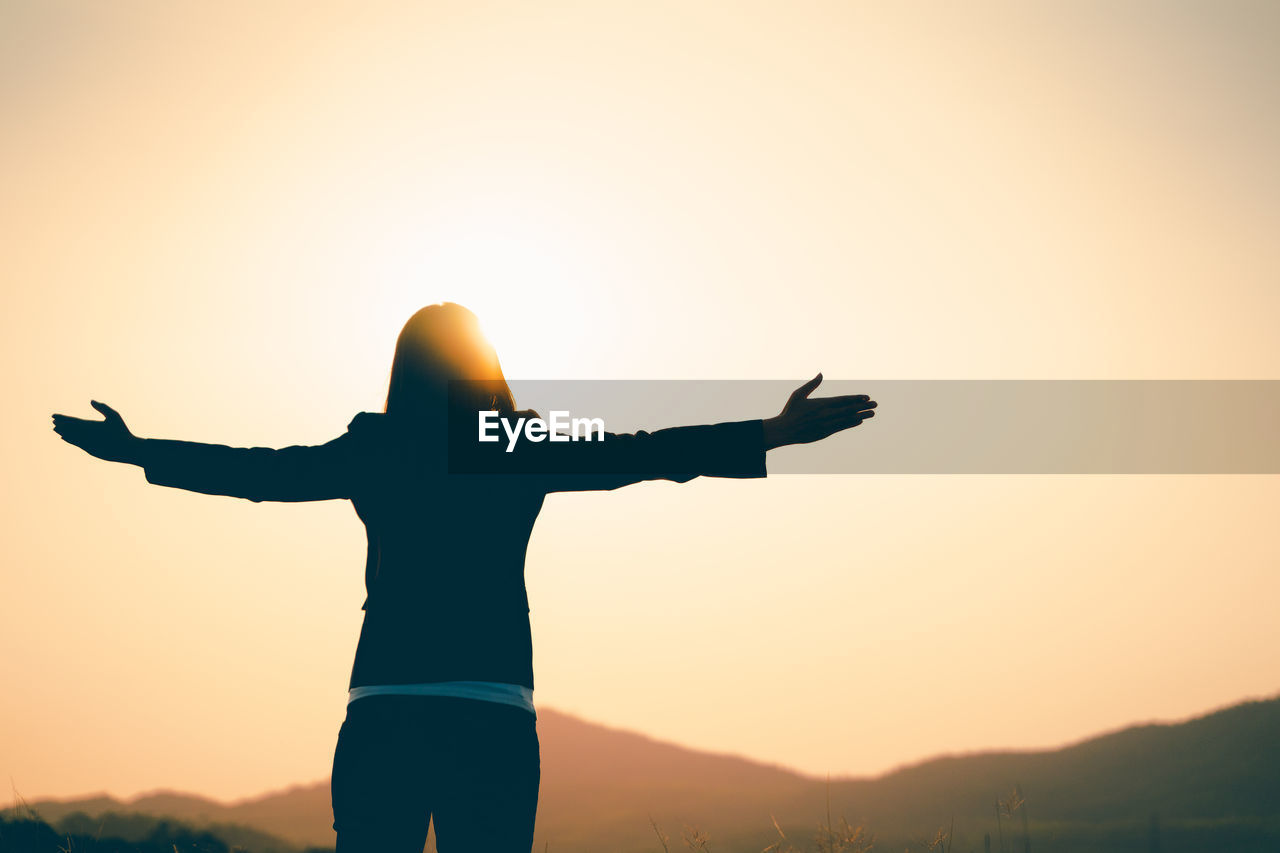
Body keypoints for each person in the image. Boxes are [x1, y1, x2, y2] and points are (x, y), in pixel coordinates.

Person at [51, 302, 877, 853]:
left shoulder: (373, 449)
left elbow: (259, 471)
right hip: (491, 717)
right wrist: (769, 432)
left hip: (385, 714)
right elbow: (646, 451)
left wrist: (137, 451)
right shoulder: (519, 446)